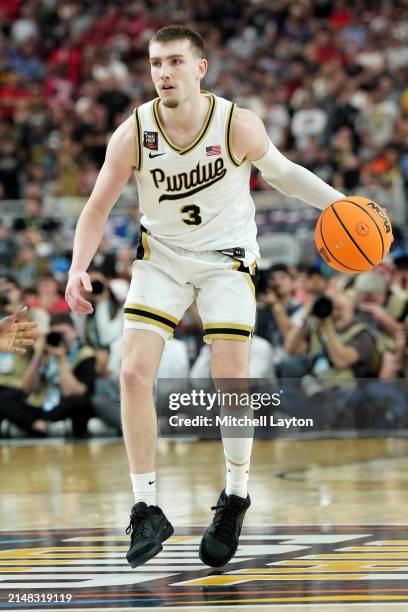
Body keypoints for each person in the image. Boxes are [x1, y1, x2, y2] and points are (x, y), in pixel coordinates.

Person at [65, 26, 345, 569]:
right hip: (164, 257)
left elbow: (285, 176)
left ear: (201, 68)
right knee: (131, 373)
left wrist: (340, 204)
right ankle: (146, 506)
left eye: (173, 61)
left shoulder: (236, 123)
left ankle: (235, 495)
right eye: (154, 64)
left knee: (230, 377)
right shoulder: (133, 133)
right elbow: (97, 207)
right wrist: (77, 268)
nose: (162, 73)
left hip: (226, 260)